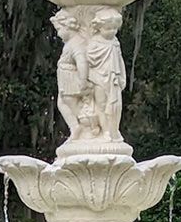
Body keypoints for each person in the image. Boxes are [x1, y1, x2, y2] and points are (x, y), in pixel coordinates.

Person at [83, 10, 126, 145]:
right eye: (108, 28)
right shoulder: (94, 42)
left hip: (114, 77)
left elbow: (120, 61)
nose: (112, 31)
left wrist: (122, 76)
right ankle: (105, 131)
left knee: (116, 105)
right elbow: (90, 57)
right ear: (99, 27)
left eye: (114, 28)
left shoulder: (115, 42)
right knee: (101, 105)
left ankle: (114, 130)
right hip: (99, 78)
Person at [52, 10, 92, 142]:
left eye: (59, 29)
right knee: (62, 103)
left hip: (72, 79)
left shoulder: (76, 43)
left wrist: (83, 80)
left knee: (68, 101)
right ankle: (76, 127)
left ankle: (83, 126)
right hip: (66, 78)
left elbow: (82, 61)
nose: (58, 34)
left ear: (67, 27)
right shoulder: (71, 43)